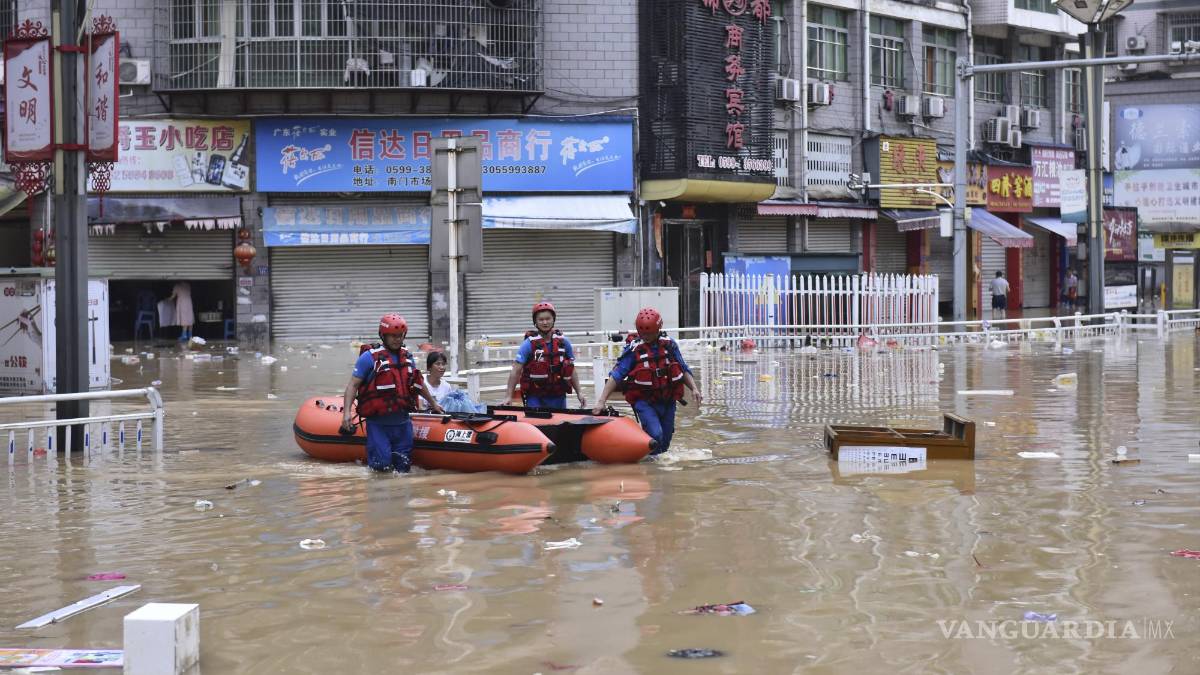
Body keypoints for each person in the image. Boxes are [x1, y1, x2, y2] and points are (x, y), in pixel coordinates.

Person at [341, 313, 443, 473]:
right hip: (378, 425)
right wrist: (346, 413)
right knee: (381, 467)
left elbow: (418, 384)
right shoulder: (369, 358)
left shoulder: (408, 358)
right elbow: (353, 385)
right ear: (383, 335)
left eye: (400, 336)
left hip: (403, 424)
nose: (397, 339)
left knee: (403, 468)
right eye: (393, 336)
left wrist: (433, 403)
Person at [592, 307, 701, 455]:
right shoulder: (634, 350)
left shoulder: (670, 345)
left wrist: (694, 388)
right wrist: (601, 400)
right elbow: (616, 376)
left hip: (668, 400)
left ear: (659, 329)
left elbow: (682, 368)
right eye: (643, 333)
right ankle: (649, 466)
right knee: (656, 435)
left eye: (650, 333)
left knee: (665, 443)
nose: (646, 337)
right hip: (644, 402)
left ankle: (656, 469)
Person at [501, 302, 587, 410]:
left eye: (548, 319)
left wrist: (579, 393)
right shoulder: (528, 344)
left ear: (553, 320)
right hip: (535, 397)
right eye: (541, 320)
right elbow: (516, 370)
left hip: (558, 396)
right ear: (535, 322)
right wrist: (508, 396)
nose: (545, 322)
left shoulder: (564, 343)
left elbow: (571, 369)